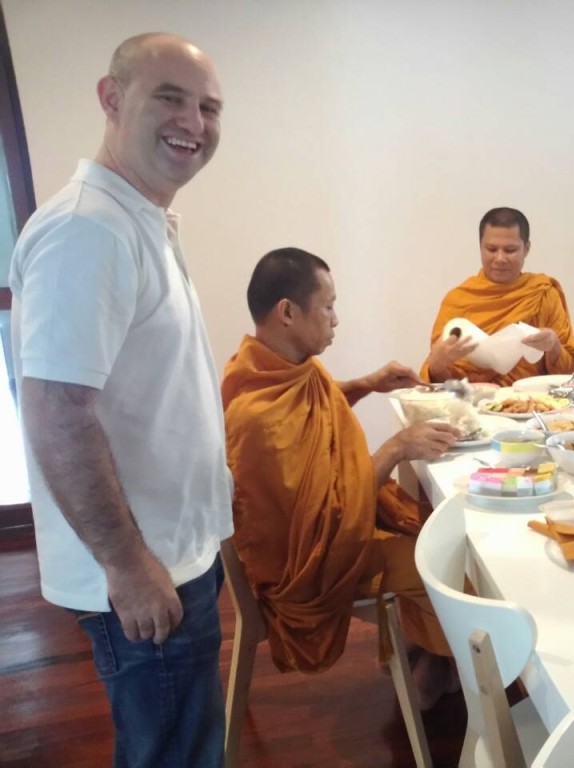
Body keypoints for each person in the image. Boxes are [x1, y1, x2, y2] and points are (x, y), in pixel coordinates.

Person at [9, 34, 232, 766]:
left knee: (183, 745)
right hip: (145, 571)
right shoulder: (88, 229)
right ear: (112, 99)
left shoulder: (140, 218)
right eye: (169, 97)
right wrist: (131, 568)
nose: (193, 123)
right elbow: (55, 413)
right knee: (172, 755)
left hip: (173, 556)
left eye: (208, 107)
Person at [221, 247, 460, 710]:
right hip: (313, 566)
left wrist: (368, 383)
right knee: (445, 558)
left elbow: (314, 412)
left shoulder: (270, 369)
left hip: (333, 533)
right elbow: (323, 523)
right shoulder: (257, 419)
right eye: (328, 306)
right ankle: (456, 671)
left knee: (435, 522)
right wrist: (395, 449)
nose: (336, 319)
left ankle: (428, 653)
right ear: (287, 312)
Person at [422, 207, 574, 385]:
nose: (500, 258)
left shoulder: (542, 293)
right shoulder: (457, 300)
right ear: (480, 247)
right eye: (491, 249)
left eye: (510, 250)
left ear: (526, 249)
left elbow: (567, 370)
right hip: (471, 404)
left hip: (530, 405)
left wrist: (553, 346)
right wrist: (437, 366)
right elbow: (445, 383)